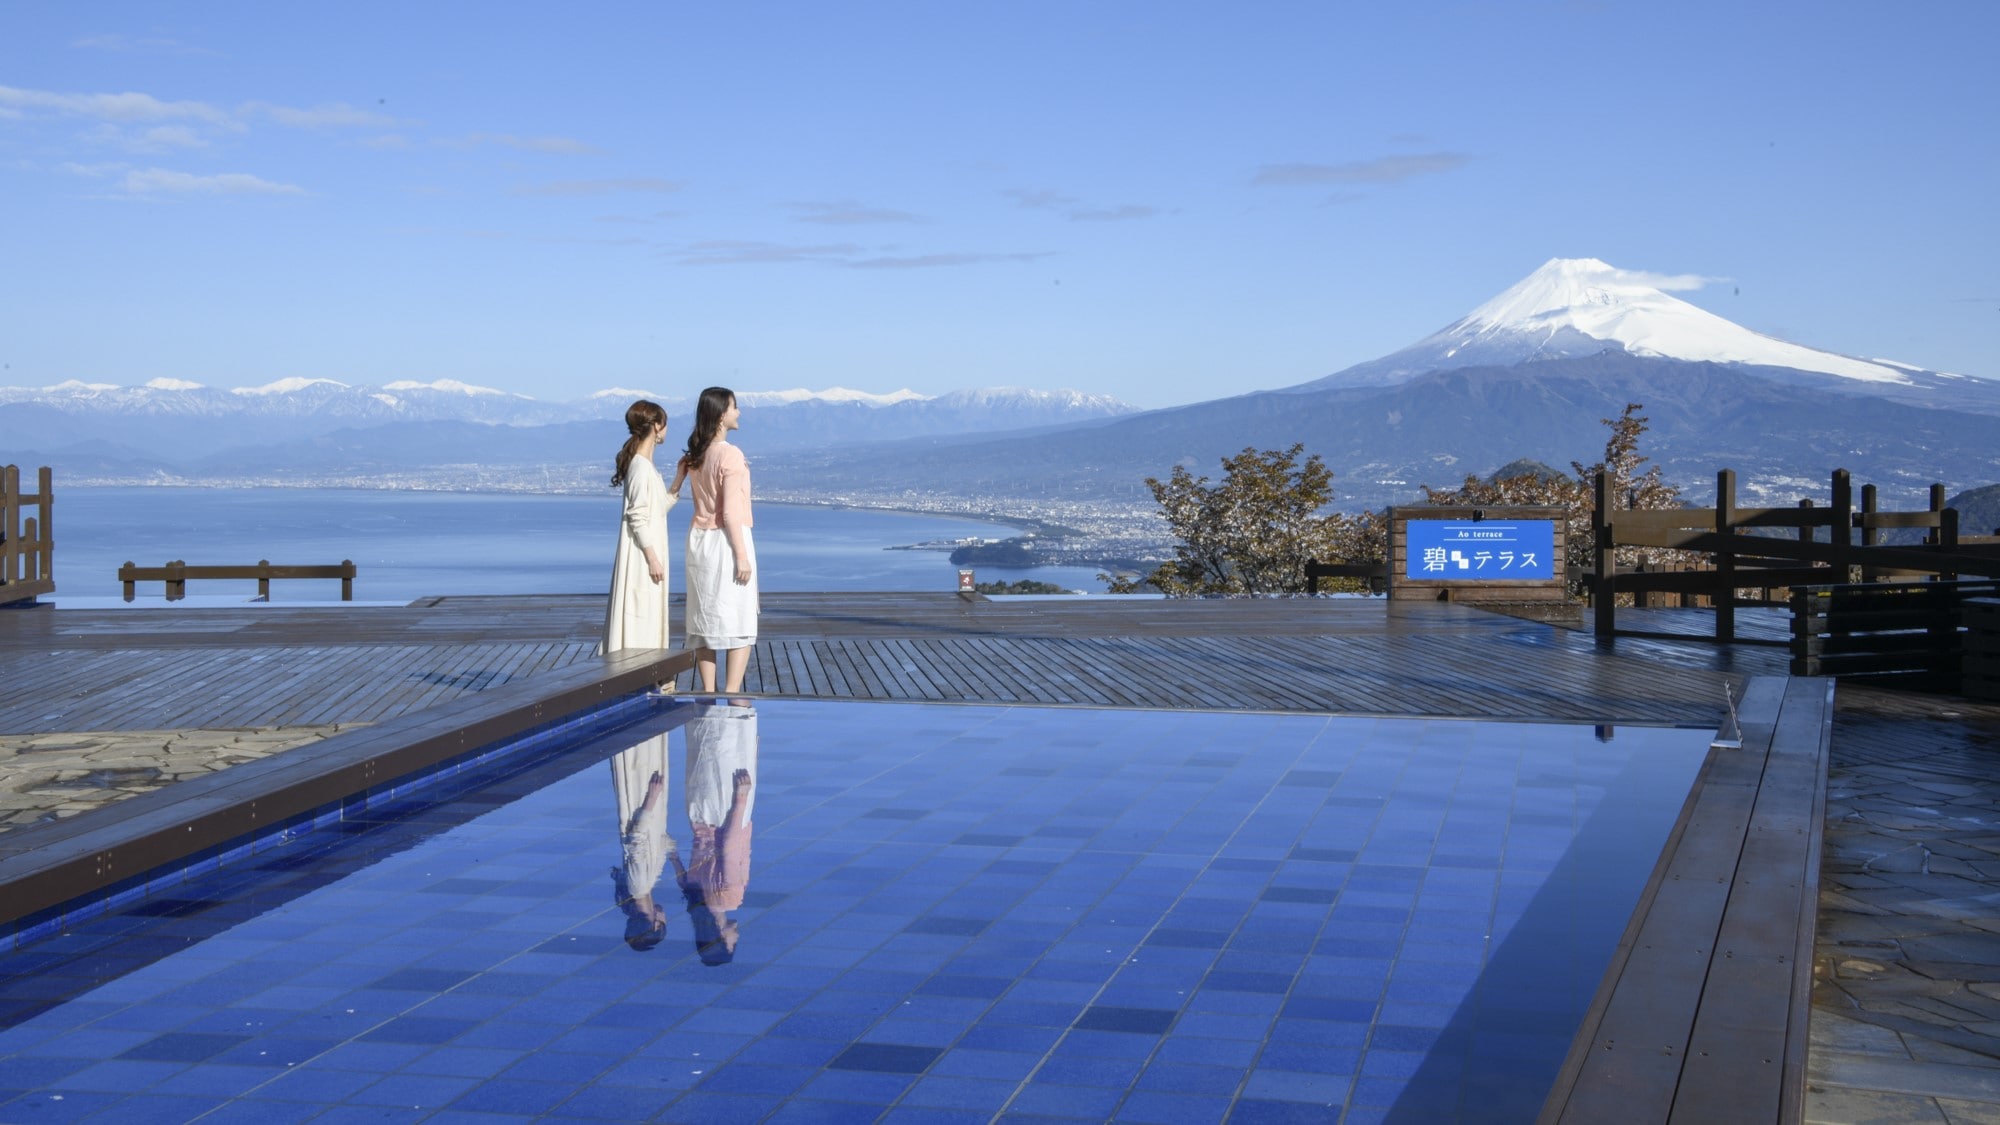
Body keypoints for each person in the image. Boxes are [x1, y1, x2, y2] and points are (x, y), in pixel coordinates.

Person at [680, 387, 758, 692]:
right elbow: (730, 512)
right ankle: (732, 692)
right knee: (738, 620)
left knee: (704, 620)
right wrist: (741, 555)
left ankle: (709, 692)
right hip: (727, 542)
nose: (739, 412)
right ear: (721, 415)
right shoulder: (730, 454)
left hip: (700, 542)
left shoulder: (697, 455)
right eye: (735, 407)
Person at [672, 700, 756, 964]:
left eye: (733, 944)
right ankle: (705, 681)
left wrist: (740, 800)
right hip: (699, 809)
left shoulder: (730, 898)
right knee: (704, 738)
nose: (737, 938)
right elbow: (675, 861)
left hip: (725, 808)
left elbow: (730, 850)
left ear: (721, 936)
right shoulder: (694, 901)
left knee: (733, 723)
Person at [601, 400, 686, 656]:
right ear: (658, 426)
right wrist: (652, 558)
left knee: (646, 613)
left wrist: (680, 477)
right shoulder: (640, 467)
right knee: (640, 615)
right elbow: (637, 516)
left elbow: (656, 511)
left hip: (646, 554)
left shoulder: (644, 466)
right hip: (641, 558)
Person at [608, 733, 675, 951]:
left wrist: (651, 797)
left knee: (641, 754)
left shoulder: (639, 887)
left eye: (664, 923)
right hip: (647, 808)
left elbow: (635, 840)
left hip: (642, 799)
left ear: (656, 923)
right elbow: (659, 845)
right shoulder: (646, 886)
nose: (666, 916)